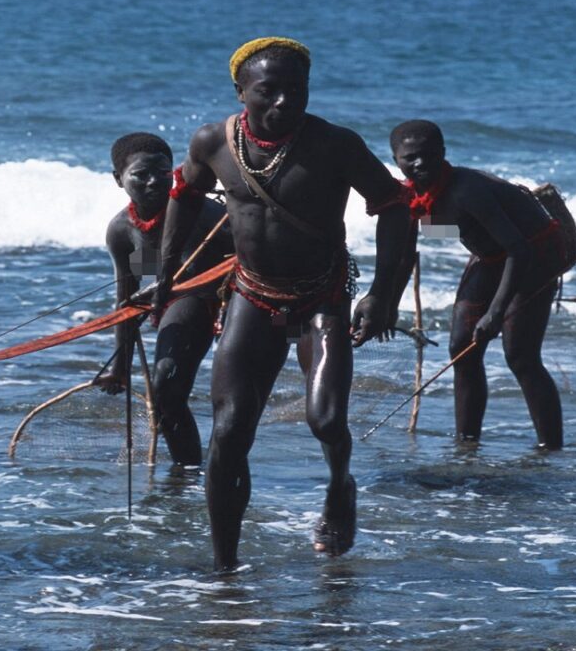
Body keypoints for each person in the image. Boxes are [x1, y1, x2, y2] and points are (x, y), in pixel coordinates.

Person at [154, 37, 410, 571]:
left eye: (297, 91)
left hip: (323, 296)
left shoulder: (335, 145)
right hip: (251, 292)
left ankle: (341, 488)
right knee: (228, 432)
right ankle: (224, 569)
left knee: (327, 421)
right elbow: (183, 196)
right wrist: (165, 276)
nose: (284, 104)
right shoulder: (212, 142)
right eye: (268, 92)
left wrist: (383, 294)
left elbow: (395, 208)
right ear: (241, 90)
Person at [389, 120, 570, 448]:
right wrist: (387, 308)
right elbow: (405, 255)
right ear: (395, 160)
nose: (420, 164)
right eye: (410, 158)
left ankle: (551, 449)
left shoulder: (466, 191)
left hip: (532, 254)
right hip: (491, 257)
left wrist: (496, 312)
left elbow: (519, 249)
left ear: (443, 153)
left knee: (520, 355)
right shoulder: (410, 197)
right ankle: (467, 443)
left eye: (429, 156)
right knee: (462, 349)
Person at [93, 132, 232, 470]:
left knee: (226, 401)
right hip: (180, 304)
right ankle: (187, 476)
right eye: (141, 175)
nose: (154, 182)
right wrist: (120, 368)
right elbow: (126, 299)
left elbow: (248, 256)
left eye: (163, 172)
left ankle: (209, 471)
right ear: (118, 179)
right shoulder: (123, 232)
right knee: (166, 394)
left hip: (227, 298)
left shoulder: (198, 212)